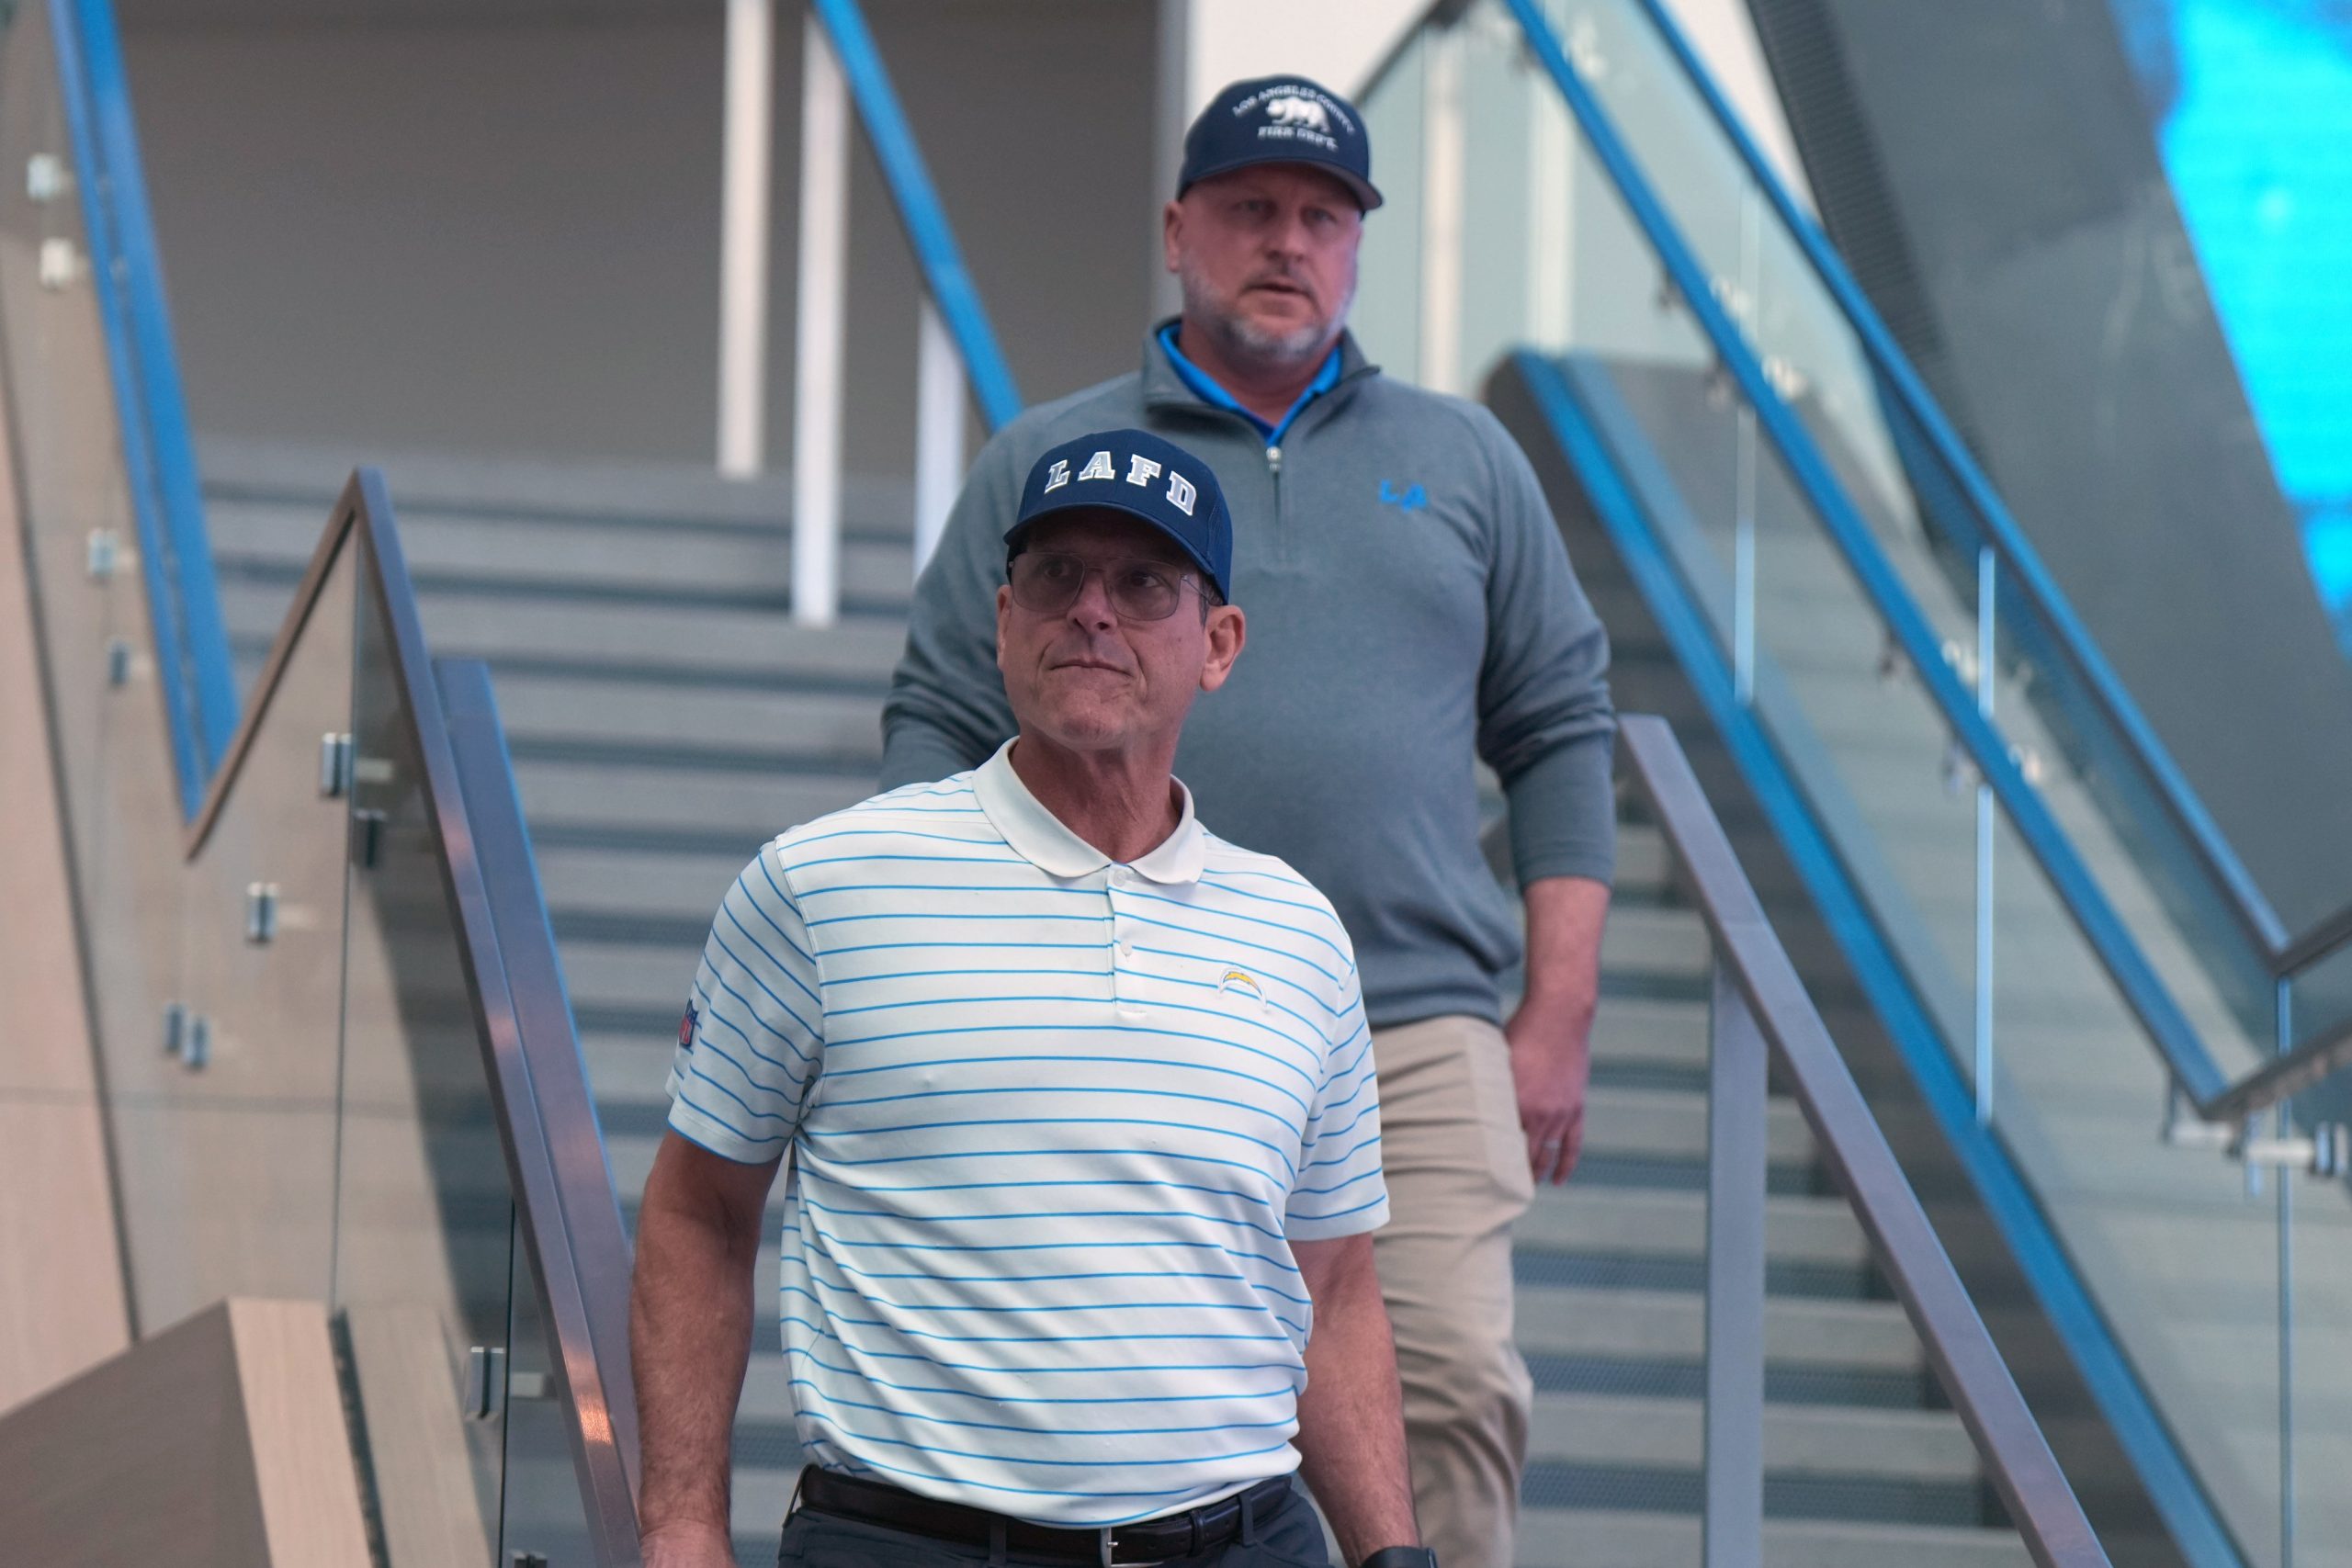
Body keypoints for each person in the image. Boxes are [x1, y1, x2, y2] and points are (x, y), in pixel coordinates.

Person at [882, 77, 1615, 1568]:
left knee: (1447, 1394)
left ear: (1357, 246)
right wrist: (930, 943)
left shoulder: (1470, 460)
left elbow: (1557, 725)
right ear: (1178, 231)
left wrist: (1557, 1011)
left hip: (1410, 1021)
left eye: (1324, 217)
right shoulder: (1053, 457)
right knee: (1139, 1418)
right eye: (1252, 209)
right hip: (1109, 1001)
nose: (1289, 242)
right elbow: (940, 711)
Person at [633, 429, 1435, 1568]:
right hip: (911, 1546)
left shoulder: (1297, 933)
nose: (1092, 612)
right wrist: (679, 1530)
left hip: (1243, 1541)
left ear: (1217, 645)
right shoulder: (821, 887)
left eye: (1143, 583)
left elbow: (1335, 1289)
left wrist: (1392, 1555)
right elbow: (698, 1212)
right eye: (1058, 576)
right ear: (1005, 622)